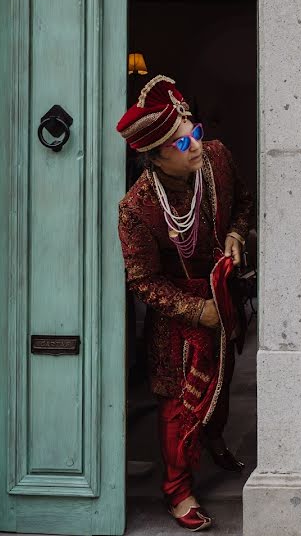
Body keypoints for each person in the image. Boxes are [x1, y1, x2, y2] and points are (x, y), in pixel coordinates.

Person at [116, 75, 253, 531]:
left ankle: (213, 438)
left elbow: (244, 204)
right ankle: (179, 491)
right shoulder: (137, 208)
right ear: (154, 158)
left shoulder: (215, 158)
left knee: (222, 381)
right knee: (177, 403)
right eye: (181, 143)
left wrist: (235, 233)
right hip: (178, 314)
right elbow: (142, 281)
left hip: (222, 297)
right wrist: (198, 311)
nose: (195, 144)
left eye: (193, 131)